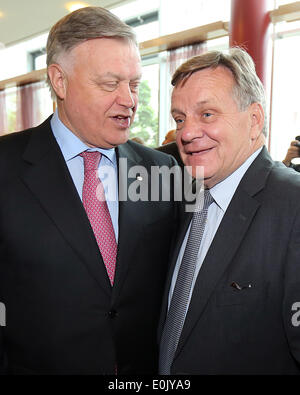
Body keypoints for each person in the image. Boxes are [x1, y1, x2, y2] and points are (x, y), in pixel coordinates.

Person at [0, 7, 178, 375]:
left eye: (134, 84)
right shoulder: (5, 166)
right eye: (110, 84)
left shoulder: (161, 170)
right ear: (59, 81)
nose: (129, 100)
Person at [158, 48, 300, 375]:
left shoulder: (292, 206)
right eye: (180, 119)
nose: (187, 133)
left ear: (254, 120)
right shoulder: (184, 197)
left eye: (207, 114)